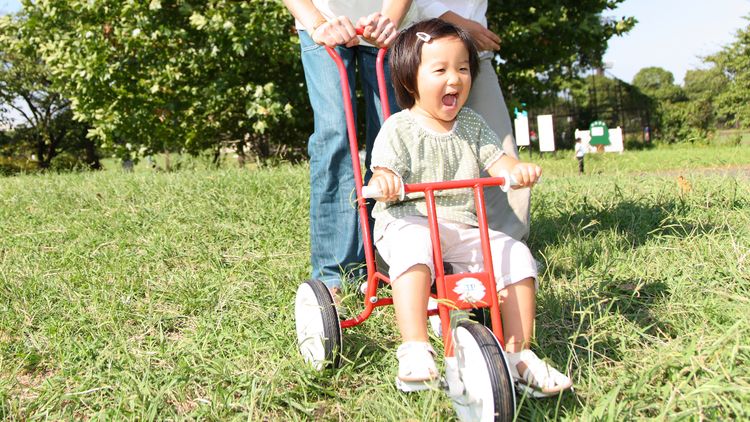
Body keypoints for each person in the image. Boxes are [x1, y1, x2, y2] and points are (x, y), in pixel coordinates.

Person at [366, 19, 573, 397]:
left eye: (463, 68)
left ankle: (518, 353)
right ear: (411, 79)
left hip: (461, 225)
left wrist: (516, 171)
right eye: (440, 69)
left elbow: (500, 163)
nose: (455, 79)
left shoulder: (472, 125)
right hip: (408, 220)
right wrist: (385, 182)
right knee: (414, 247)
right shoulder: (399, 128)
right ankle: (415, 347)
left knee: (514, 253)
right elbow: (384, 171)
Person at [281, 1, 415, 296]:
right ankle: (335, 274)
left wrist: (391, 19)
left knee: (392, 139)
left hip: (391, 23)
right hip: (322, 22)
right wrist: (317, 24)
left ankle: (398, 260)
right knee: (335, 135)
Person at [413, 0, 530, 242]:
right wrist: (461, 26)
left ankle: (506, 246)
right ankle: (420, 250)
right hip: (420, 52)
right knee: (418, 151)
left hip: (475, 55)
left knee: (498, 144)